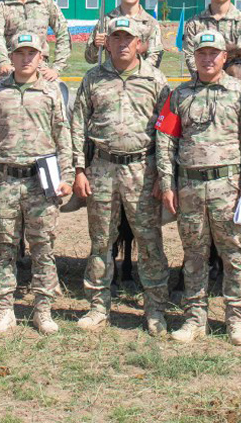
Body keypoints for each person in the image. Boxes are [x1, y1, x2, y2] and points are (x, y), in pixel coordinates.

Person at [157, 31, 241, 345]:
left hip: (228, 189)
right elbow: (165, 143)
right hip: (189, 187)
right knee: (193, 256)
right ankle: (194, 319)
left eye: (213, 53)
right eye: (202, 53)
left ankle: (236, 321)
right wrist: (167, 184)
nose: (207, 58)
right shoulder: (179, 94)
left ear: (224, 57)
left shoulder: (240, 92)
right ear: (195, 56)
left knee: (234, 255)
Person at [71, 17, 172, 335]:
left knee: (150, 242)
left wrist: (163, 176)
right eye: (117, 37)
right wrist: (78, 169)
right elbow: (76, 125)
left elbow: (167, 133)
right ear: (109, 42)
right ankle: (97, 307)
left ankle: (155, 309)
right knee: (101, 241)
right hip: (101, 169)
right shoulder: (93, 79)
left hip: (143, 170)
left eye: (129, 38)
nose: (123, 43)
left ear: (140, 43)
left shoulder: (157, 80)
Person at [0, 33, 73, 335]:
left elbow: (63, 135)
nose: (26, 58)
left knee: (43, 247)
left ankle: (43, 310)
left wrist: (66, 176)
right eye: (20, 53)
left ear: (41, 57)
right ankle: (4, 309)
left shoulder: (51, 92)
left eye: (32, 53)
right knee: (3, 248)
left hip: (41, 180)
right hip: (4, 180)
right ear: (11, 57)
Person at [84, 0, 164, 67]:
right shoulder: (106, 21)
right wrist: (95, 45)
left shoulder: (150, 23)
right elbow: (89, 58)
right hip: (111, 79)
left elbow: (155, 58)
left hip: (141, 80)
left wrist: (137, 74)